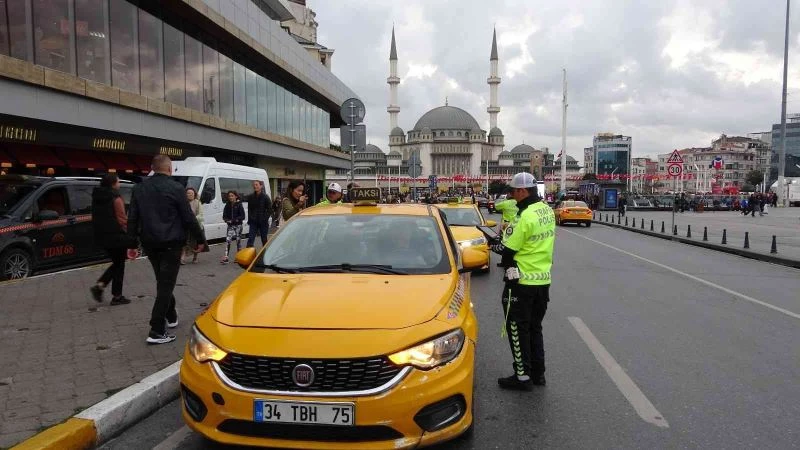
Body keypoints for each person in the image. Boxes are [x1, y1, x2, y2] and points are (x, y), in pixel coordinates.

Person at [128, 155, 205, 345]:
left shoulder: (139, 188)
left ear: (152, 168)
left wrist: (131, 244)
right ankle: (156, 329)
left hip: (150, 243)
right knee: (165, 285)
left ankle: (171, 316)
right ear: (170, 169)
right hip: (172, 243)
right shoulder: (176, 188)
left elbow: (133, 218)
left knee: (163, 281)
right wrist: (200, 240)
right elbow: (188, 217)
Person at [490, 172, 555, 390]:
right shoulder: (547, 210)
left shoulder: (526, 216)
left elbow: (509, 250)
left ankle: (522, 377)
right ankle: (539, 374)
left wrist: (494, 246)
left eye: (513, 191)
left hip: (521, 282)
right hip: (542, 281)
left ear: (522, 191)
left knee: (517, 328)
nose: (511, 195)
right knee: (535, 327)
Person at [89, 173, 132, 306]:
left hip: (102, 235)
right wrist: (131, 234)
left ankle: (101, 286)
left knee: (117, 263)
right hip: (116, 236)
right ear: (113, 184)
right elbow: (122, 220)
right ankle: (116, 295)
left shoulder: (97, 197)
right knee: (119, 264)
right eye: (118, 182)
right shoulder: (116, 198)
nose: (119, 184)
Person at [221, 191, 245, 264]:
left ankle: (238, 257)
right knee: (228, 240)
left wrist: (234, 220)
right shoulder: (227, 205)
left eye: (232, 196)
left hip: (238, 225)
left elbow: (243, 216)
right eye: (229, 196)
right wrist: (227, 220)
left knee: (238, 241)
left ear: (236, 196)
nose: (230, 197)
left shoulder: (239, 205)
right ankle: (226, 258)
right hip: (230, 226)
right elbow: (224, 215)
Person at [245, 180, 272, 247]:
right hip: (253, 222)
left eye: (256, 184)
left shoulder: (265, 197)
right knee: (250, 239)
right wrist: (250, 219)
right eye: (254, 185)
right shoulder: (251, 197)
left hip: (263, 222)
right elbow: (249, 209)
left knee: (264, 239)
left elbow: (270, 209)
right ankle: (248, 255)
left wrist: (264, 218)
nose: (255, 186)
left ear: (261, 186)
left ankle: (266, 253)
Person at [182, 188, 203, 264]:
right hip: (185, 226)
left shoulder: (198, 203)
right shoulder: (183, 203)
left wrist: (192, 219)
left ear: (194, 194)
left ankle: (195, 257)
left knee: (195, 243)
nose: (190, 195)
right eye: (188, 193)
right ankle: (182, 258)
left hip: (195, 226)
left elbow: (201, 215)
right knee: (184, 242)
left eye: (191, 193)